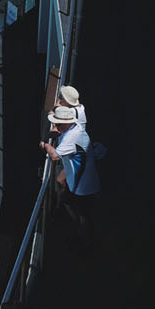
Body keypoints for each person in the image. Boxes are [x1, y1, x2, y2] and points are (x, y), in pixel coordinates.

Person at [40, 105, 102, 250]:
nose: (56, 127)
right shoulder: (75, 127)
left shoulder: (71, 138)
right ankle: (79, 230)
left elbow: (55, 156)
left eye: (59, 124)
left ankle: (87, 242)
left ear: (67, 123)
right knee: (70, 202)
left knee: (83, 215)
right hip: (77, 180)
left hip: (83, 187)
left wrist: (45, 146)